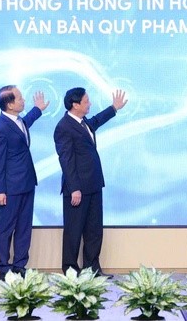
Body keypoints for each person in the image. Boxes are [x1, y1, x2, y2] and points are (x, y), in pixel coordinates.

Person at [54, 87, 127, 276]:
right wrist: (74, 188)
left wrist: (113, 108)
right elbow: (66, 160)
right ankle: (71, 271)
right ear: (75, 104)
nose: (90, 104)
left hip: (94, 184)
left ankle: (92, 269)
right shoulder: (63, 127)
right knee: (74, 231)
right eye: (86, 101)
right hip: (77, 189)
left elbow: (96, 121)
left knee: (94, 230)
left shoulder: (83, 121)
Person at [0, 85, 49, 280]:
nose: (23, 100)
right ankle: (4, 267)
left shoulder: (18, 120)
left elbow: (25, 124)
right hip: (10, 187)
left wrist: (38, 109)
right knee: (6, 227)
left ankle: (20, 265)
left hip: (27, 182)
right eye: (20, 98)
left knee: (24, 226)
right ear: (10, 104)